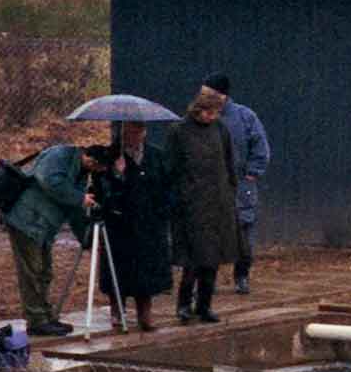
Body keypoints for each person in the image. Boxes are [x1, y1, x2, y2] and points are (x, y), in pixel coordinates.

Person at [0, 135, 112, 338]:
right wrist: (80, 197)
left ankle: (46, 317)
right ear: (91, 160)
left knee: (44, 272)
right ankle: (37, 321)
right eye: (98, 169)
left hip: (43, 226)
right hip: (26, 220)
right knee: (31, 272)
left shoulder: (80, 173)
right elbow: (49, 181)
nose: (96, 173)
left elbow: (74, 209)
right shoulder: (59, 155)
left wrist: (86, 237)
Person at [163, 83, 241, 324]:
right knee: (193, 260)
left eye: (216, 113)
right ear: (198, 109)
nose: (212, 117)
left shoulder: (220, 130)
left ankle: (204, 305)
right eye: (209, 112)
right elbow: (171, 168)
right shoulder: (179, 131)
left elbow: (229, 163)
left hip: (218, 203)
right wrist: (179, 197)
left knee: (212, 259)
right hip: (191, 204)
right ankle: (184, 304)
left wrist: (229, 192)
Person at [89, 119, 176, 332]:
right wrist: (118, 174)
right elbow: (101, 188)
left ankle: (144, 312)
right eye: (128, 132)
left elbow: (168, 186)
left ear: (144, 133)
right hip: (120, 223)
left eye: (138, 131)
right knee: (117, 266)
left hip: (149, 222)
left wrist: (165, 210)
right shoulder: (110, 155)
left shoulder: (156, 155)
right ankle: (117, 310)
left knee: (147, 267)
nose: (134, 137)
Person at [204, 73, 270, 295]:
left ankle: (242, 276)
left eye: (210, 93)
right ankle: (207, 279)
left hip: (241, 185)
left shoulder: (245, 116)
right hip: (211, 184)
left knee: (244, 234)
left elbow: (260, 147)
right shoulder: (202, 115)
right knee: (210, 233)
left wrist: (252, 173)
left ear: (222, 95)